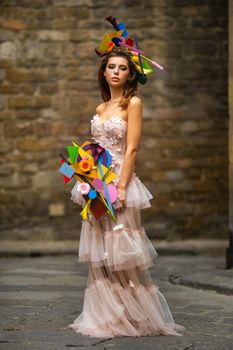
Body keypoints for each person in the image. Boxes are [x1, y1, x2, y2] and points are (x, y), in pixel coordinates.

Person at [67, 17, 186, 337]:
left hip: (121, 184)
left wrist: (119, 188)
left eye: (122, 67)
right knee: (100, 252)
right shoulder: (101, 105)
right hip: (97, 183)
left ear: (131, 73)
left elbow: (132, 149)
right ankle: (106, 316)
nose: (116, 72)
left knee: (122, 251)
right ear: (103, 72)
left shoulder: (133, 102)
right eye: (111, 67)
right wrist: (83, 174)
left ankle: (133, 316)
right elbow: (94, 147)